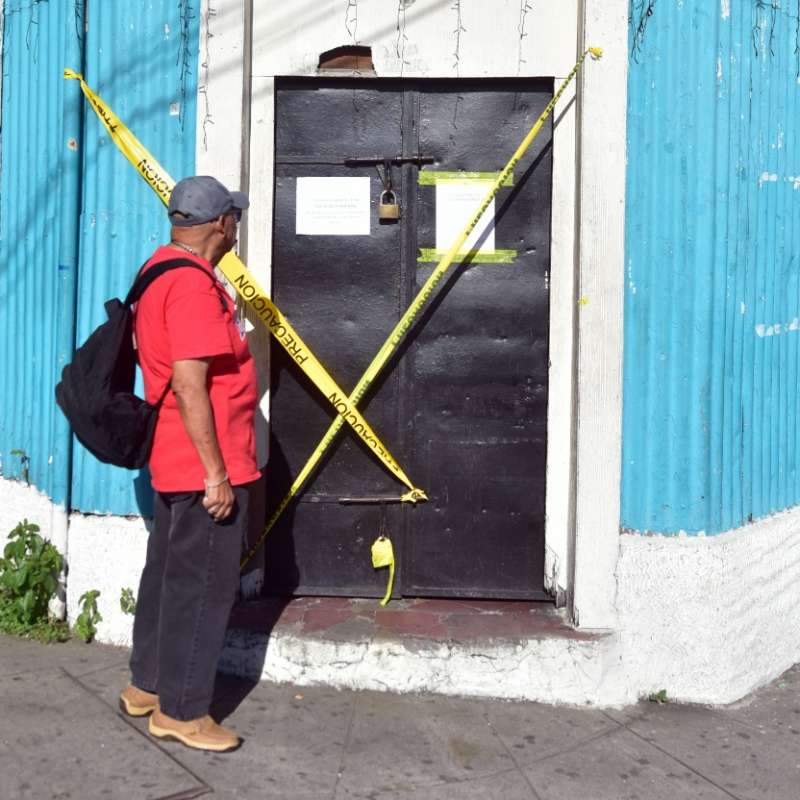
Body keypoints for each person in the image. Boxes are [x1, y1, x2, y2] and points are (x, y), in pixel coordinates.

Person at [118, 176, 260, 752]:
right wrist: (217, 474)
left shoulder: (158, 269)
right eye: (235, 218)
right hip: (204, 461)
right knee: (201, 588)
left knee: (168, 578)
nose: (236, 228)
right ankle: (182, 711)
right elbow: (189, 382)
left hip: (170, 458)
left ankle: (147, 686)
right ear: (219, 224)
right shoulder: (196, 287)